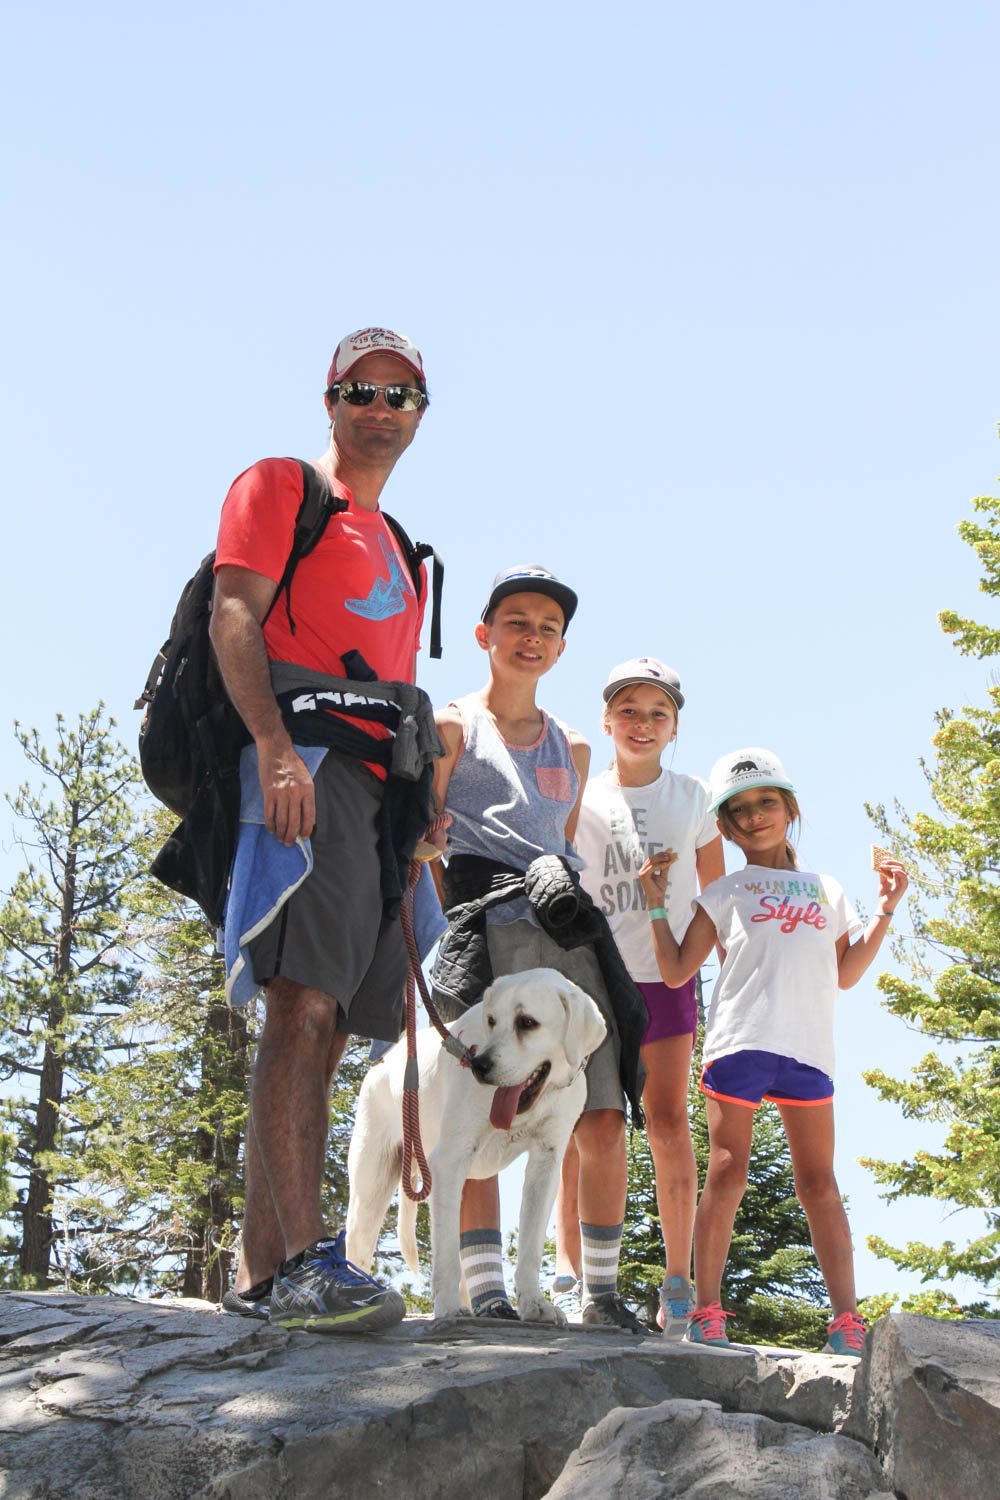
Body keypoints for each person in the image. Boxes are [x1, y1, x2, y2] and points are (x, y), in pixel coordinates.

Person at [210, 327, 440, 1333]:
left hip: (373, 789)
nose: (379, 410)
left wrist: (420, 807)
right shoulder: (280, 488)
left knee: (338, 1016)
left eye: (400, 395)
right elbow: (234, 617)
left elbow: (400, 686)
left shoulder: (403, 548)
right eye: (362, 391)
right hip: (301, 765)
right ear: (330, 398)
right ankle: (301, 1263)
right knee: (300, 1003)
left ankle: (269, 1271)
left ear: (419, 412)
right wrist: (271, 747)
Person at [426, 567, 648, 1332]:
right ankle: (484, 1286)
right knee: (476, 1103)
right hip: (479, 924)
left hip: (562, 923)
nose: (532, 637)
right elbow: (426, 842)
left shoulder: (574, 746)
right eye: (516, 621)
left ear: (560, 648)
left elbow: (560, 839)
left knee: (600, 1100)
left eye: (548, 627)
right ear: (485, 634)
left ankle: (602, 1291)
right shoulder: (453, 728)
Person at [637, 747, 908, 1357]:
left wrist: (886, 909)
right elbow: (678, 971)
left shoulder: (827, 889)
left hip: (808, 1048)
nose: (755, 816)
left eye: (766, 802)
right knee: (728, 1171)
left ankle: (846, 1322)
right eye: (738, 811)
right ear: (726, 828)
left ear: (789, 809)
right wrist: (656, 902)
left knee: (821, 1184)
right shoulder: (724, 892)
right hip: (740, 1042)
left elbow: (845, 972)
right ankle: (708, 1310)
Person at [567, 657, 724, 1336]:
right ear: (607, 720)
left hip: (666, 982)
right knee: (585, 1127)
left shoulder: (693, 798)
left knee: (666, 1122)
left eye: (658, 713)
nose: (642, 724)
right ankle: (579, 1280)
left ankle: (677, 1283)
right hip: (593, 977)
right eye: (628, 711)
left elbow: (716, 899)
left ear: (675, 727)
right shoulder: (584, 795)